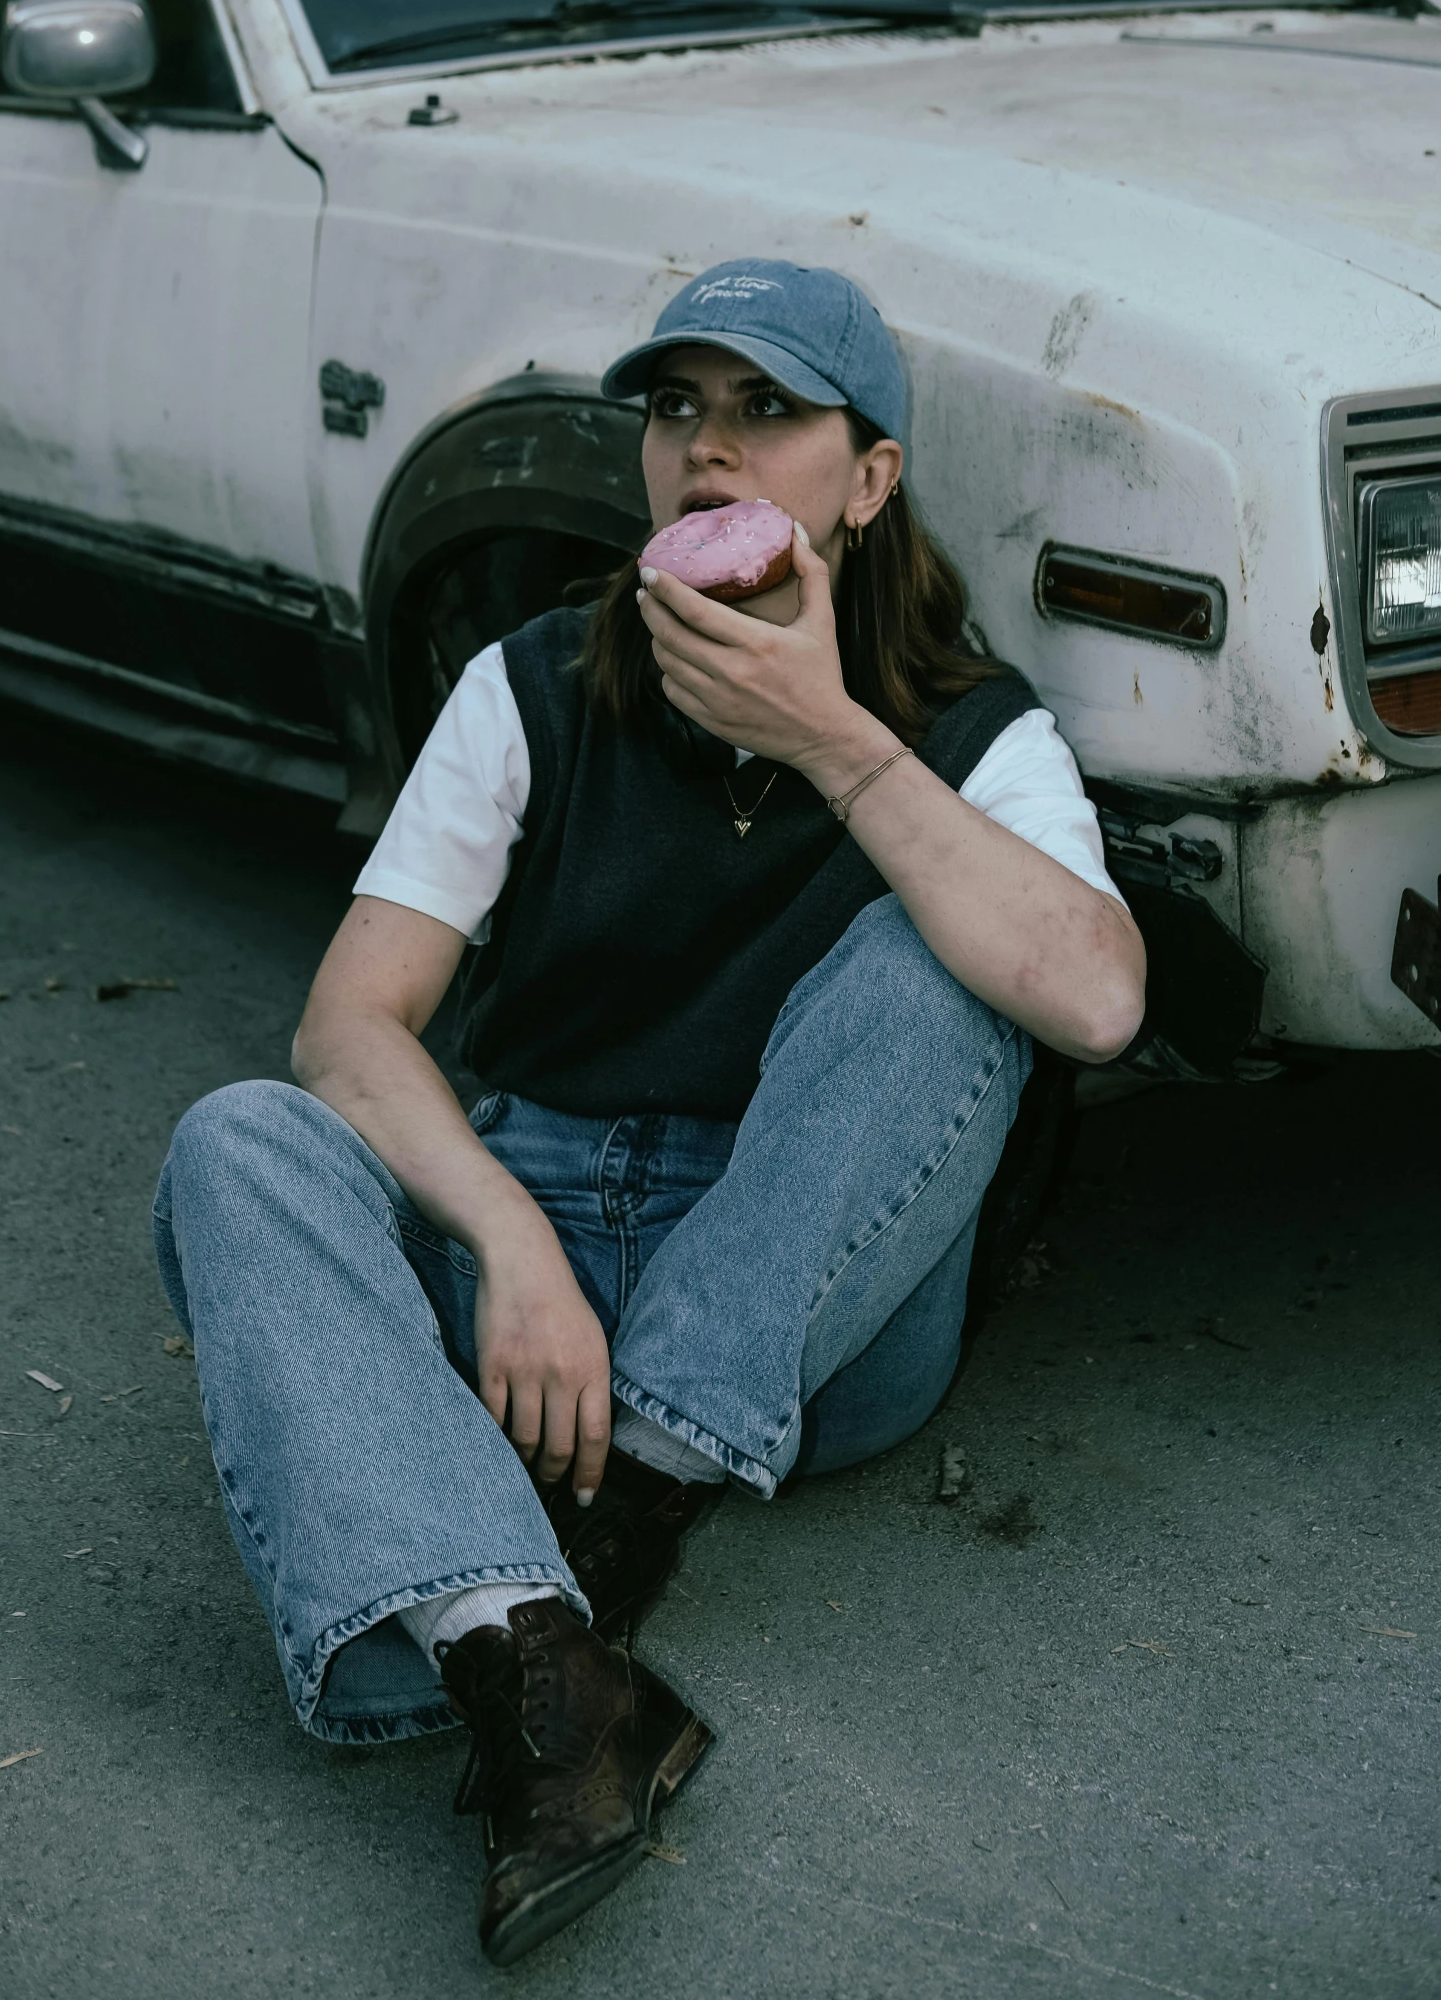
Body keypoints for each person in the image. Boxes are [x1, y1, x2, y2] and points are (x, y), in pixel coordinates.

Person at [153, 261, 1145, 1966]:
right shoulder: (532, 682)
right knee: (236, 1139)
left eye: (767, 411)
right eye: (675, 409)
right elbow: (350, 1024)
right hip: (528, 1266)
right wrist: (506, 1235)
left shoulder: (965, 728)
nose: (709, 450)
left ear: (870, 476)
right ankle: (538, 1651)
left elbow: (1099, 999)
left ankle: (622, 1491)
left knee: (948, 962)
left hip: (808, 1305)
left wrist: (835, 742)